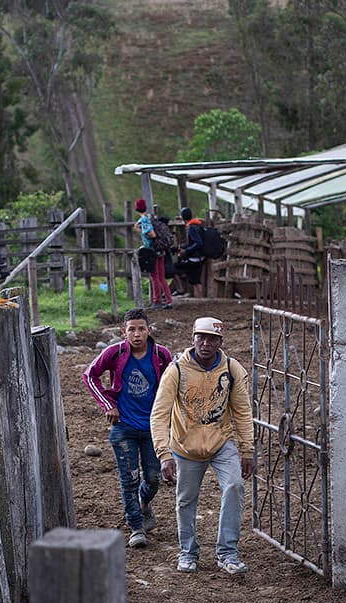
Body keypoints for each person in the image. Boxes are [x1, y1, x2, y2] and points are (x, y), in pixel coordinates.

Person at [150, 316, 254, 575]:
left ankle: (227, 552)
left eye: (212, 339)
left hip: (222, 440)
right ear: (193, 338)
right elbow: (159, 413)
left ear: (220, 341)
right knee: (185, 499)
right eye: (201, 337)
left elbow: (242, 411)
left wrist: (247, 449)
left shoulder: (231, 369)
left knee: (234, 486)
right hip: (185, 445)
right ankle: (188, 552)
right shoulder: (176, 370)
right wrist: (164, 453)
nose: (206, 343)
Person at [83, 308, 173, 548]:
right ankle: (136, 526)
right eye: (131, 329)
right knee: (129, 478)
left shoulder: (162, 355)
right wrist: (108, 404)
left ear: (149, 331)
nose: (136, 334)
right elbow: (90, 375)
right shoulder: (114, 352)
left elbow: (174, 385)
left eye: (141, 329)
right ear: (124, 332)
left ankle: (144, 506)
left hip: (154, 426)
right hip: (123, 426)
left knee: (154, 477)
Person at [135, 198, 173, 309]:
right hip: (160, 250)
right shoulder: (151, 218)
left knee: (154, 276)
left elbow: (152, 234)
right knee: (161, 276)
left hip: (152, 251)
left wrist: (142, 231)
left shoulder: (144, 220)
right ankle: (169, 300)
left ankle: (157, 301)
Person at [177, 206, 206, 299]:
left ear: (182, 217)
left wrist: (186, 251)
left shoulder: (191, 228)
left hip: (194, 258)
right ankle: (200, 299)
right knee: (196, 280)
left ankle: (180, 290)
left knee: (175, 268)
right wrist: (184, 245)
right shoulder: (197, 225)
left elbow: (198, 242)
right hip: (200, 257)